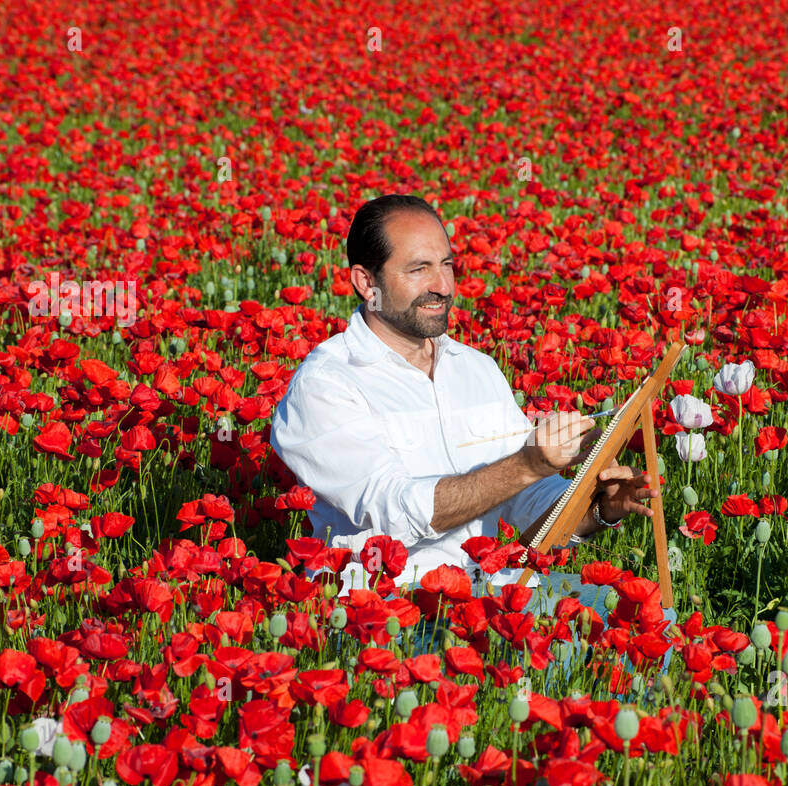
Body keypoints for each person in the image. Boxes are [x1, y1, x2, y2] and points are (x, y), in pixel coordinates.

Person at [268, 194, 674, 687]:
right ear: (365, 283)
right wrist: (528, 463)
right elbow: (394, 514)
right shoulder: (327, 384)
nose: (442, 286)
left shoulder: (475, 370)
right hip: (389, 612)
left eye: (447, 265)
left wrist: (600, 507)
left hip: (493, 590)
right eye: (419, 269)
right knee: (573, 665)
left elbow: (527, 512)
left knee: (654, 634)